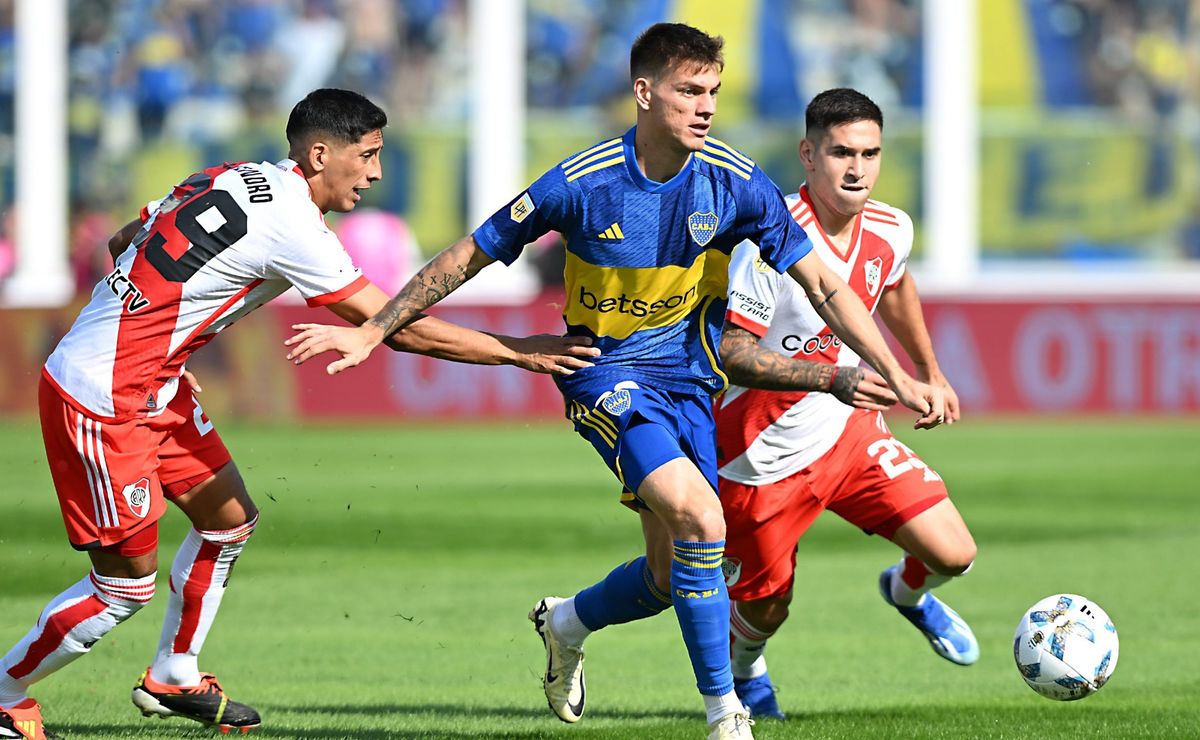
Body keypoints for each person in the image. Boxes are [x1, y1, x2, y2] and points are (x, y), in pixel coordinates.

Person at [285, 28, 945, 740]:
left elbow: (826, 286)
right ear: (644, 93)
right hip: (604, 372)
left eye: (713, 92)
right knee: (702, 519)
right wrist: (374, 327)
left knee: (670, 577)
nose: (705, 107)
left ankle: (565, 622)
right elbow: (466, 257)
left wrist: (894, 373)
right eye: (690, 91)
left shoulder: (736, 181)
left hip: (690, 381)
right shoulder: (580, 182)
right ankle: (727, 717)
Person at [0, 88, 597, 740]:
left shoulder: (227, 175)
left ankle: (172, 675)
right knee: (123, 589)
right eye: (366, 156)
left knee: (228, 522)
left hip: (149, 381)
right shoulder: (294, 225)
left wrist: (162, 343)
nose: (374, 172)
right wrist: (522, 351)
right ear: (319, 154)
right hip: (103, 398)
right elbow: (392, 325)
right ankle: (5, 693)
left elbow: (125, 241)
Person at [714, 88, 979, 721]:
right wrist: (832, 376)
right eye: (840, 153)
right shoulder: (769, 241)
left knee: (954, 553)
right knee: (766, 608)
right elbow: (733, 354)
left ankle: (907, 592)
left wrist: (929, 372)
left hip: (851, 434)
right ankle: (748, 672)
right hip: (761, 453)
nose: (856, 167)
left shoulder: (892, 226)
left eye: (869, 153)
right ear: (808, 155)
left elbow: (893, 284)